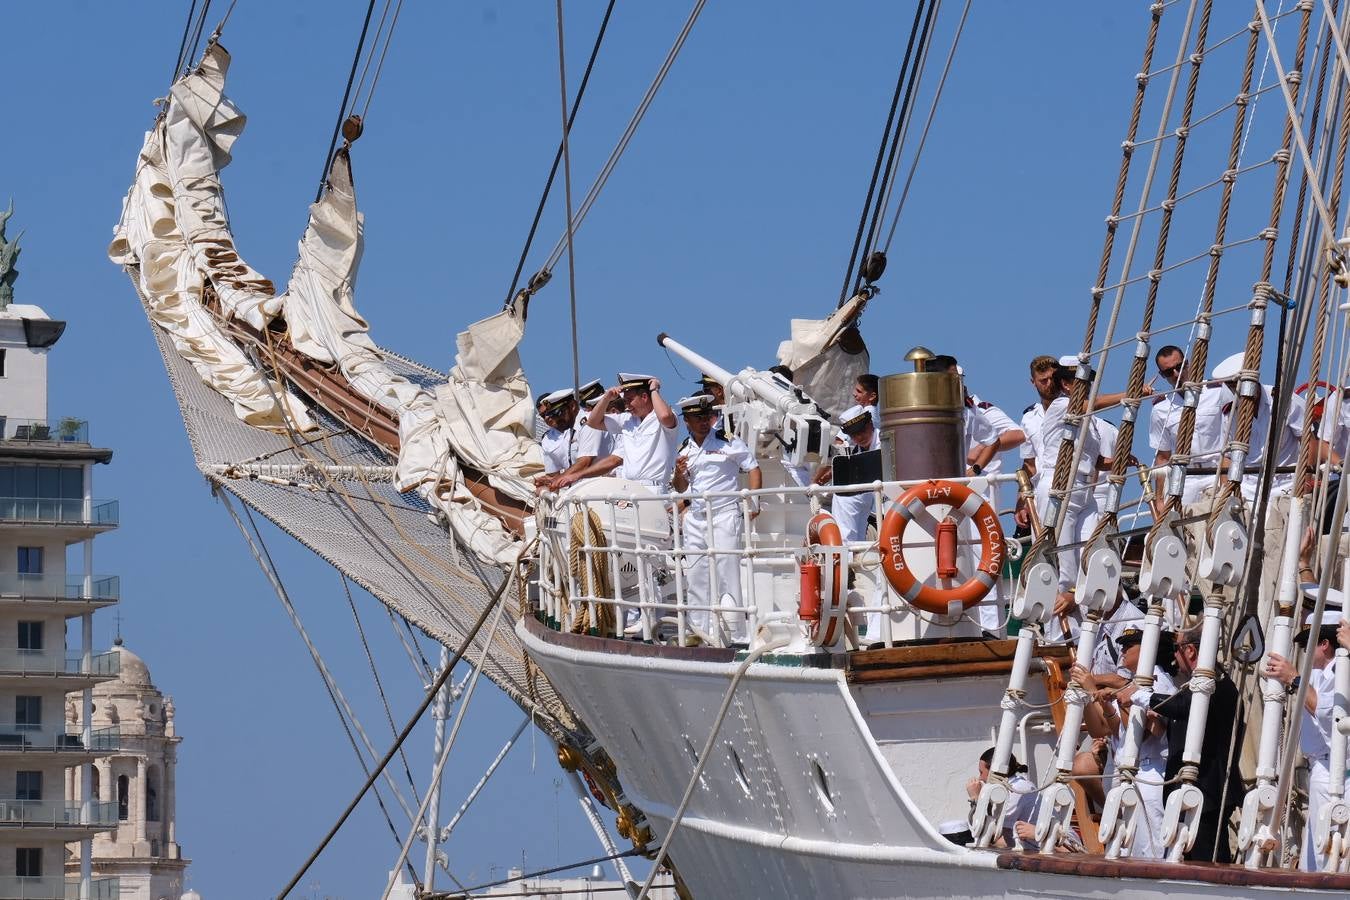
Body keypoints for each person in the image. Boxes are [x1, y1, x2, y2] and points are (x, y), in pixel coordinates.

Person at [1071, 625, 1175, 858]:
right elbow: (1108, 728)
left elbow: (1140, 733)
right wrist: (1090, 696)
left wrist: (1098, 689)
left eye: (1130, 645)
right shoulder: (1132, 683)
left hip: (1148, 770)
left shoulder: (1158, 681)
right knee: (1126, 848)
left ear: (1149, 649)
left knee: (1150, 849)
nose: (1123, 650)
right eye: (1123, 646)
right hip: (1125, 772)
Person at [1147, 628, 1245, 863]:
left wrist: (1143, 696)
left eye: (1176, 650)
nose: (1173, 657)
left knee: (1208, 858)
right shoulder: (1200, 684)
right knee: (1193, 856)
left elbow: (1184, 707)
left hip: (1208, 790)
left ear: (1190, 650)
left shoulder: (1215, 685)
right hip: (1195, 790)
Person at [671, 394, 762, 645]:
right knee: (696, 575)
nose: (704, 422)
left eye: (707, 417)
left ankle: (738, 634)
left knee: (727, 572)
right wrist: (679, 473)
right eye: (697, 418)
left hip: (724, 514)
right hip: (696, 518)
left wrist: (752, 501)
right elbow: (680, 488)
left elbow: (753, 468)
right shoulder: (684, 450)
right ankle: (699, 632)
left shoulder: (728, 442)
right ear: (687, 421)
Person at [1263, 610, 1350, 871]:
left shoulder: (1340, 672)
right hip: (1321, 768)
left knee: (1331, 851)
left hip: (1336, 771)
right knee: (1317, 851)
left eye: (1307, 644)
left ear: (1323, 644)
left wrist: (1293, 678)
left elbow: (1327, 713)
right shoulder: (1319, 672)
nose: (1302, 650)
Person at [556, 373, 679, 491]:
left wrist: (654, 390)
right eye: (625, 401)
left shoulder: (661, 417)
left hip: (653, 489)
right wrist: (607, 397)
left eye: (629, 400)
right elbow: (593, 422)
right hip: (628, 488)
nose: (627, 406)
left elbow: (665, 417)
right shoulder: (627, 420)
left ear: (644, 397)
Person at [965, 747, 1039, 850]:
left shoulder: (1017, 789)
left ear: (994, 772)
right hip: (1030, 846)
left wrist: (976, 798)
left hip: (1050, 848)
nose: (980, 778)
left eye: (981, 772)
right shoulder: (1009, 786)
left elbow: (991, 834)